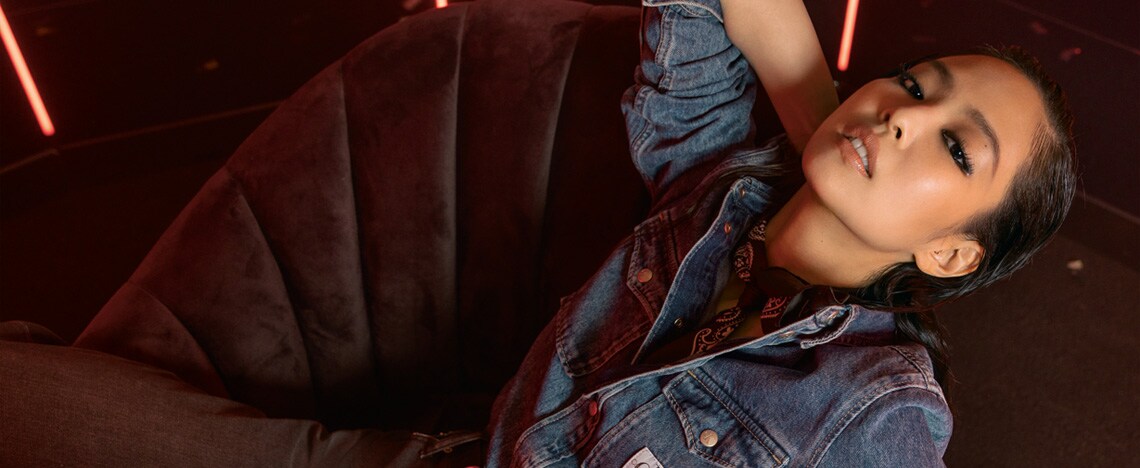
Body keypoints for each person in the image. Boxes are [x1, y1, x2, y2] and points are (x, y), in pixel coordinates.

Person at [484, 0, 1075, 466]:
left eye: (956, 148)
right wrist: (827, 128)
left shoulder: (873, 411)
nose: (902, 114)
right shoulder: (712, 183)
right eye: (914, 85)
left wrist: (850, 151)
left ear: (948, 253)